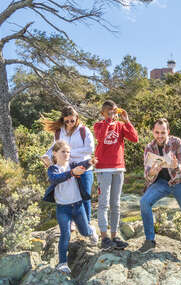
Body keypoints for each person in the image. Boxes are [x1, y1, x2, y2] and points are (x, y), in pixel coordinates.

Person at [139, 118, 181, 269]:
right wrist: (153, 171)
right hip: (161, 183)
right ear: (153, 132)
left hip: (180, 182)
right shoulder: (149, 147)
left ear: (168, 132)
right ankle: (150, 241)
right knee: (144, 202)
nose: (160, 135)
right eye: (157, 132)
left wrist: (177, 165)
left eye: (163, 132)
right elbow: (147, 176)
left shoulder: (176, 142)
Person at [42, 140, 98, 274]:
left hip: (78, 206)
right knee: (65, 234)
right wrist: (72, 173)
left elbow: (81, 165)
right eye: (63, 152)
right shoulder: (53, 169)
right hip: (63, 209)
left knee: (84, 232)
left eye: (68, 152)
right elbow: (56, 178)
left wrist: (89, 162)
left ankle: (91, 230)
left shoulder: (72, 165)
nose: (66, 154)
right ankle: (62, 263)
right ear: (54, 153)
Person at [94, 100, 138, 249]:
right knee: (103, 203)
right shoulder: (98, 125)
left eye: (114, 111)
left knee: (116, 204)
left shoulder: (120, 126)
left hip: (118, 168)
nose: (112, 114)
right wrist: (108, 121)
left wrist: (127, 121)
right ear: (103, 113)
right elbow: (101, 138)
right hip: (103, 169)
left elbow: (134, 138)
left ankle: (114, 235)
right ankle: (104, 237)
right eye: (109, 112)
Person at [40, 106, 95, 225]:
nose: (70, 123)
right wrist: (46, 156)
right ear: (63, 120)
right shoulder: (59, 132)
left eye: (72, 120)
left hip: (84, 168)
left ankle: (87, 224)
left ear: (77, 118)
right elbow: (56, 147)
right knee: (70, 198)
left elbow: (90, 149)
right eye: (67, 121)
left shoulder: (84, 130)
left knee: (84, 197)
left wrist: (68, 152)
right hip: (67, 169)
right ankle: (72, 224)